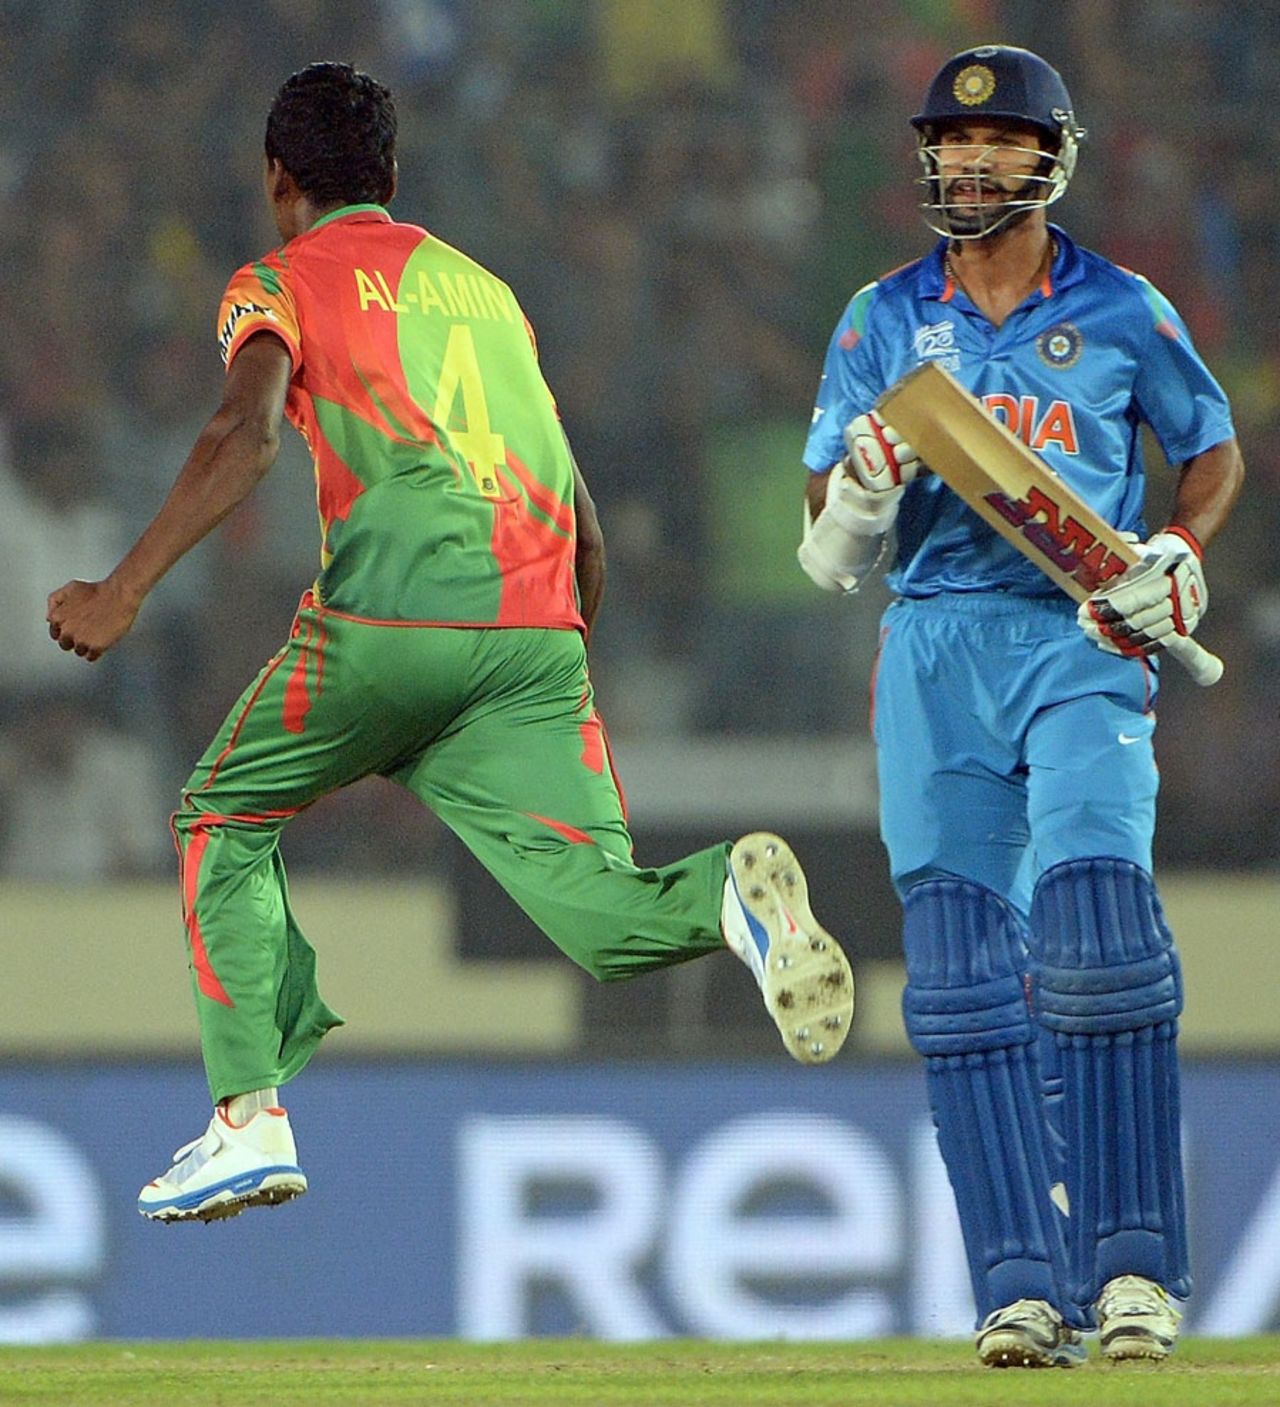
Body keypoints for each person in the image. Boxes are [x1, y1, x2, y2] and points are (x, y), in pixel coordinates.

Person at [47, 62, 853, 1225]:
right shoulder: (486, 296)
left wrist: (121, 588)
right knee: (604, 917)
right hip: (533, 633)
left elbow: (245, 430)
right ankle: (729, 895)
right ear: (390, 172)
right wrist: (543, 670)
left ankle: (247, 1122)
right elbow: (580, 523)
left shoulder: (277, 279)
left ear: (277, 180)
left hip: (389, 623)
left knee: (220, 817)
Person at [798, 45, 1242, 1367]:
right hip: (933, 647)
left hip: (1081, 630)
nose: (970, 160)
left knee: (1100, 941)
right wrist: (861, 488)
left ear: (1049, 160)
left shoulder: (1120, 307)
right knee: (956, 979)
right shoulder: (880, 317)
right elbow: (822, 539)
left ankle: (1133, 1272)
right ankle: (1016, 1289)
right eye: (951, 140)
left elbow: (1211, 450)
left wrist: (1177, 550)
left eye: (997, 142)